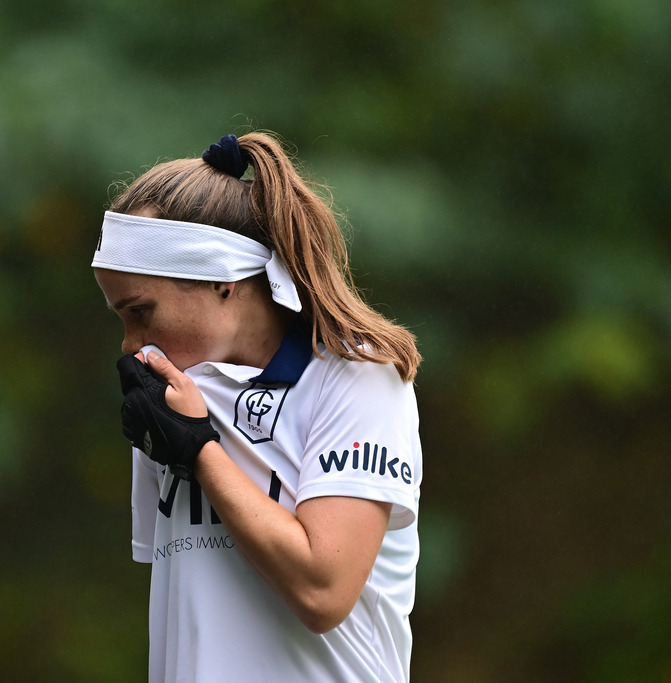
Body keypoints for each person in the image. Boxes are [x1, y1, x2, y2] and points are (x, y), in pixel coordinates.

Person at [91, 131, 423, 682]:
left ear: (222, 280)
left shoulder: (358, 378)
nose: (130, 345)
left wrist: (201, 451)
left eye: (141, 311)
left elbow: (322, 592)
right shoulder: (174, 398)